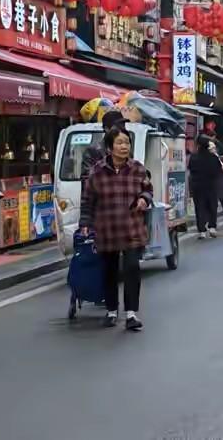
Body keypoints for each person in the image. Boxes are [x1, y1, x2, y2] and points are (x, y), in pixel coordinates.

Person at [80, 127, 153, 331]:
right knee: (109, 271)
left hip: (132, 227)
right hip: (107, 228)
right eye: (119, 143)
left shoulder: (138, 169)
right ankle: (112, 310)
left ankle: (131, 314)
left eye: (127, 143)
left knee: (131, 268)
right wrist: (85, 224)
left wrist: (143, 200)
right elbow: (87, 200)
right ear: (110, 147)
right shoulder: (97, 171)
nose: (124, 147)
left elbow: (148, 190)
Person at [187, 135, 223, 239]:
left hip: (197, 185)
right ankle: (212, 227)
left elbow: (191, 170)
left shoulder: (194, 157)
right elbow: (219, 170)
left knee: (199, 207)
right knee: (212, 205)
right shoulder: (213, 157)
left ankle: (201, 230)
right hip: (211, 184)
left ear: (198, 144)